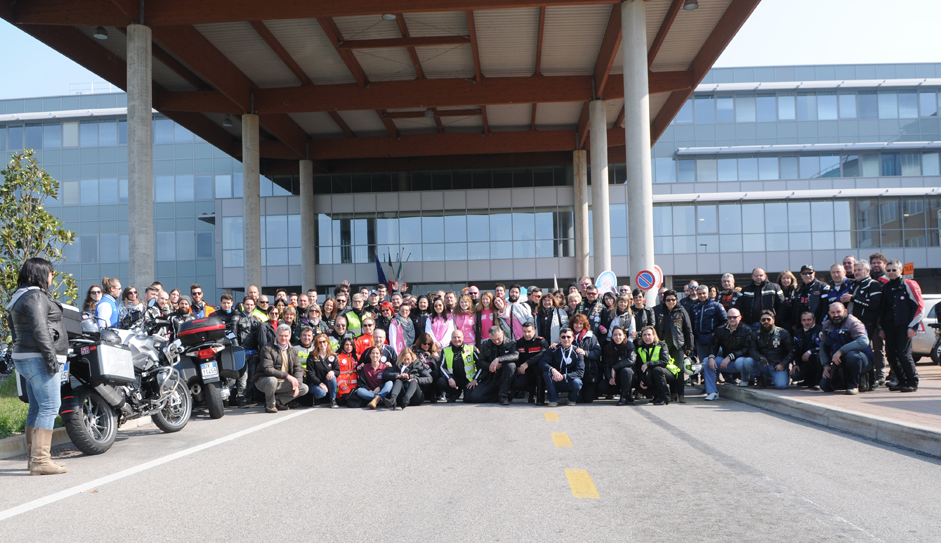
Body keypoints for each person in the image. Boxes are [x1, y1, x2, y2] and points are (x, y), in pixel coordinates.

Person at [8, 258, 69, 475]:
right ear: (41, 274)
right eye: (51, 273)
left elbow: (15, 331)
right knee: (50, 406)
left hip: (26, 356)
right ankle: (41, 460)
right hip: (39, 358)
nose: (52, 277)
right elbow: (40, 328)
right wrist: (51, 359)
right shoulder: (35, 296)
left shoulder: (20, 296)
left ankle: (34, 459)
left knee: (36, 407)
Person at [879, 260, 926, 393]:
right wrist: (881, 328)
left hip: (904, 327)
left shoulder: (908, 284)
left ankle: (912, 381)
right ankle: (901, 381)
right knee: (891, 355)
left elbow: (919, 307)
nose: (891, 273)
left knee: (903, 354)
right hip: (889, 327)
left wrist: (913, 326)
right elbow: (883, 310)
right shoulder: (886, 287)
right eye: (888, 270)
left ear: (901, 270)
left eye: (894, 270)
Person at [843, 260, 886, 385]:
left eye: (859, 270)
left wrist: (853, 298)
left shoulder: (874, 284)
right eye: (855, 270)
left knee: (876, 349)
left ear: (867, 271)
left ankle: (879, 374)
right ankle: (865, 375)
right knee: (860, 351)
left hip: (871, 323)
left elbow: (873, 304)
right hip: (855, 324)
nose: (856, 272)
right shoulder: (854, 285)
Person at [819, 303, 874, 395]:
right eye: (833, 312)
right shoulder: (827, 325)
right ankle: (850, 381)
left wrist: (841, 351)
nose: (836, 315)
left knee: (852, 355)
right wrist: (826, 365)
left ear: (845, 311)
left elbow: (864, 341)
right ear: (829, 313)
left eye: (838, 312)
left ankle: (853, 385)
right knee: (825, 386)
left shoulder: (853, 322)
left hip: (861, 360)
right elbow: (823, 346)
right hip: (840, 361)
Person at [255, 325, 309, 413]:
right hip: (264, 380)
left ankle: (279, 401)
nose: (283, 338)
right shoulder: (267, 348)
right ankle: (270, 405)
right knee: (272, 380)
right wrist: (287, 376)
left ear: (290, 336)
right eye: (280, 335)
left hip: (282, 383)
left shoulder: (293, 350)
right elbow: (268, 369)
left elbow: (298, 369)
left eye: (286, 336)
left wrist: (297, 383)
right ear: (276, 335)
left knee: (304, 388)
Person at [704, 308, 755, 400]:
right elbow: (713, 345)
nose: (732, 319)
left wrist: (730, 356)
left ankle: (745, 379)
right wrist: (711, 357)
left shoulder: (747, 330)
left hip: (740, 362)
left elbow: (747, 349)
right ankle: (712, 392)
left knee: (741, 361)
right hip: (726, 363)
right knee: (706, 361)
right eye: (729, 317)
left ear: (740, 317)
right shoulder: (720, 330)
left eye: (734, 317)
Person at [467, 326, 519, 405]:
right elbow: (480, 362)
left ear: (502, 332)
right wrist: (489, 366)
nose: (497, 341)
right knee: (474, 397)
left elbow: (516, 356)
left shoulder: (511, 343)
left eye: (498, 338)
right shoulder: (485, 344)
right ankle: (501, 396)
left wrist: (498, 359)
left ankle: (503, 395)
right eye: (493, 340)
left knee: (511, 365)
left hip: (504, 376)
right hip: (490, 377)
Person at [745, 310, 794, 390]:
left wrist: (783, 364)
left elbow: (792, 350)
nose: (766, 322)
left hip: (777, 365)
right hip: (763, 364)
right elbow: (752, 350)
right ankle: (760, 378)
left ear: (773, 320)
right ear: (760, 321)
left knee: (781, 386)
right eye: (763, 320)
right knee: (747, 361)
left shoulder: (783, 333)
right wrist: (759, 357)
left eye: (768, 319)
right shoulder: (755, 334)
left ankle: (773, 377)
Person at [635, 326, 681, 405]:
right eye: (644, 335)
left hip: (668, 372)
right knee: (646, 376)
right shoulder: (640, 349)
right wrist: (642, 380)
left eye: (649, 335)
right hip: (652, 372)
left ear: (654, 335)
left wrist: (648, 364)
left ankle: (665, 397)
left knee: (656, 370)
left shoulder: (661, 345)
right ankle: (656, 396)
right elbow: (639, 367)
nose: (647, 337)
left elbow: (664, 362)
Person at [540, 327, 585, 407]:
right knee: (547, 373)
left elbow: (580, 372)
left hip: (570, 381)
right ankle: (553, 400)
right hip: (556, 380)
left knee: (577, 382)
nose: (566, 339)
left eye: (568, 337)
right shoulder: (553, 349)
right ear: (559, 338)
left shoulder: (578, 352)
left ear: (573, 338)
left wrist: (564, 376)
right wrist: (553, 370)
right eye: (563, 337)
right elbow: (542, 363)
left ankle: (571, 399)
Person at [437, 330, 480, 402]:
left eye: (459, 337)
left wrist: (475, 379)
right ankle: (455, 393)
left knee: (468, 399)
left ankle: (464, 393)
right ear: (451, 338)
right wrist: (449, 378)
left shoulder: (471, 348)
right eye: (454, 337)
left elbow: (481, 365)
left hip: (468, 379)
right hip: (454, 379)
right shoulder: (445, 350)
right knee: (441, 381)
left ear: (463, 338)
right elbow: (441, 367)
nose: (456, 339)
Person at [654, 290, 694, 366]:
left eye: (673, 299)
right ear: (664, 301)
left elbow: (688, 329)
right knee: (665, 368)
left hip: (678, 345)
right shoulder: (659, 311)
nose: (671, 302)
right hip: (662, 346)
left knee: (679, 369)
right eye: (668, 300)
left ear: (676, 300)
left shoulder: (681, 310)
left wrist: (689, 347)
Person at [689, 285, 727, 364]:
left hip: (714, 340)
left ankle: (717, 377)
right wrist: (694, 340)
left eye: (704, 293)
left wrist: (716, 334)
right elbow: (691, 325)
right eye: (699, 294)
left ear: (708, 294)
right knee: (704, 363)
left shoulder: (717, 306)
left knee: (716, 363)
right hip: (700, 340)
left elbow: (725, 321)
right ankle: (705, 377)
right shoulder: (694, 307)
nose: (702, 295)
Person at [569, 313, 602, 403]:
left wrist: (585, 353)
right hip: (574, 371)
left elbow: (597, 353)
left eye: (580, 324)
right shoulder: (568, 336)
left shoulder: (591, 337)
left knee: (588, 400)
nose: (578, 326)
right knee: (578, 399)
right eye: (576, 323)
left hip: (588, 372)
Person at [513, 321, 548, 403]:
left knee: (537, 369)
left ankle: (540, 396)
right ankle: (532, 392)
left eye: (529, 331)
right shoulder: (519, 343)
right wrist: (518, 368)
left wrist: (527, 363)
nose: (527, 334)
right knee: (518, 384)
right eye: (524, 331)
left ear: (534, 331)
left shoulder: (541, 341)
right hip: (526, 372)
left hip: (539, 371)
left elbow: (542, 354)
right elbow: (517, 357)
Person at [305, 333, 339, 408]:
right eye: (319, 342)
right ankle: (316, 398)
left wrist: (332, 371)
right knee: (321, 393)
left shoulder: (333, 355)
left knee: (333, 377)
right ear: (316, 344)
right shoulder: (312, 356)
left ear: (327, 342)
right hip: (315, 383)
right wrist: (320, 383)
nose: (322, 344)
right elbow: (310, 374)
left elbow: (337, 370)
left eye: (324, 341)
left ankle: (333, 399)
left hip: (327, 381)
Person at [604, 327, 636, 405]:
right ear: (612, 337)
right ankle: (622, 392)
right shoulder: (607, 348)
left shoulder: (629, 345)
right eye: (615, 335)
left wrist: (615, 367)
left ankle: (624, 396)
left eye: (620, 334)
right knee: (602, 387)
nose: (617, 337)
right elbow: (606, 365)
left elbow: (631, 360)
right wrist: (610, 378)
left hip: (630, 376)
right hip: (615, 377)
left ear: (624, 336)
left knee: (626, 371)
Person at [791, 311, 823, 390]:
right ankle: (808, 380)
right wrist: (795, 364)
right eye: (804, 320)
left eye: (809, 320)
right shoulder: (797, 333)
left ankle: (817, 382)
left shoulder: (820, 330)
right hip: (804, 362)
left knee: (818, 356)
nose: (806, 322)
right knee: (795, 375)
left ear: (814, 320)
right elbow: (793, 350)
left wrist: (811, 351)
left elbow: (825, 347)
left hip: (817, 360)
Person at [792, 265, 830, 330]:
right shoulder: (799, 289)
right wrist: (794, 322)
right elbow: (795, 307)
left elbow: (826, 307)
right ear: (801, 275)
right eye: (804, 273)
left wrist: (821, 323)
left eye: (810, 273)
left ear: (814, 273)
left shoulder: (822, 287)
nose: (807, 275)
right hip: (801, 326)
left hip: (817, 325)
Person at [334, 337, 359, 406]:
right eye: (346, 345)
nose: (349, 347)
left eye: (351, 345)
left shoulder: (356, 357)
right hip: (343, 386)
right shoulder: (338, 357)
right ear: (343, 345)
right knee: (348, 396)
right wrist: (341, 385)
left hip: (354, 386)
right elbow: (336, 373)